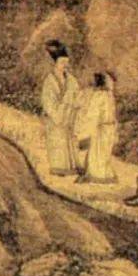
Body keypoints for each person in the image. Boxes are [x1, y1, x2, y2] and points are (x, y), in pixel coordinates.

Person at [40, 41, 81, 176]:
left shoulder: (71, 80)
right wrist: (58, 112)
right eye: (62, 62)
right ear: (56, 63)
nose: (65, 65)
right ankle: (58, 170)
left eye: (66, 62)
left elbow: (77, 96)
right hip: (55, 120)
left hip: (69, 118)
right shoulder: (49, 81)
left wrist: (73, 105)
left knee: (70, 145)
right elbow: (48, 102)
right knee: (58, 145)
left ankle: (72, 169)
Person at [79, 70, 119, 182]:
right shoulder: (99, 95)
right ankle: (97, 175)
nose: (112, 84)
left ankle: (104, 174)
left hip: (109, 128)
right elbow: (92, 115)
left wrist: (114, 127)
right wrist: (88, 131)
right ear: (104, 82)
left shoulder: (110, 96)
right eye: (110, 81)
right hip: (100, 128)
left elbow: (112, 114)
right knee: (98, 153)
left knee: (106, 153)